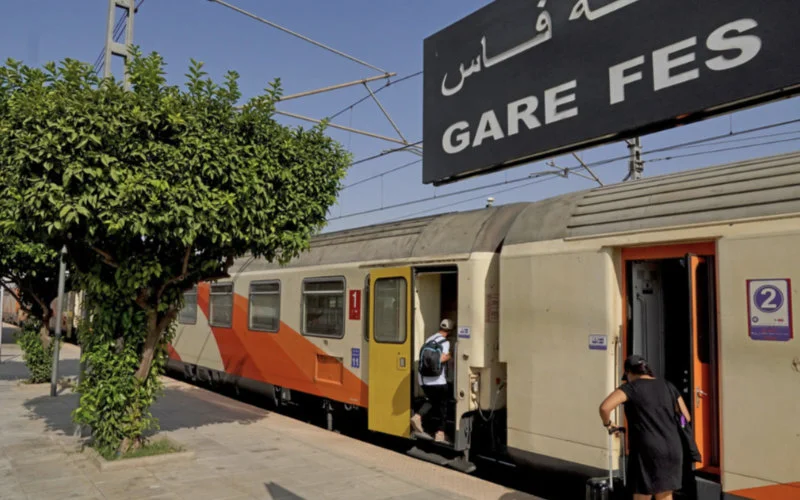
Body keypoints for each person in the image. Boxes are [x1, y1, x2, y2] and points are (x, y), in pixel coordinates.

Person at [598, 355, 692, 500]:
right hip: (672, 448)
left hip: (646, 450)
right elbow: (686, 417)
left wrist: (608, 424)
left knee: (643, 494)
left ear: (629, 372)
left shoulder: (630, 388)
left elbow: (604, 408)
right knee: (665, 495)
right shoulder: (668, 386)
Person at [410, 318, 454, 443]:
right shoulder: (445, 342)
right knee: (443, 405)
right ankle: (440, 433)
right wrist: (450, 355)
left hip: (423, 379)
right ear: (450, 331)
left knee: (432, 400)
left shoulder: (429, 339)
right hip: (437, 380)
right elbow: (441, 358)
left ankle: (418, 416)